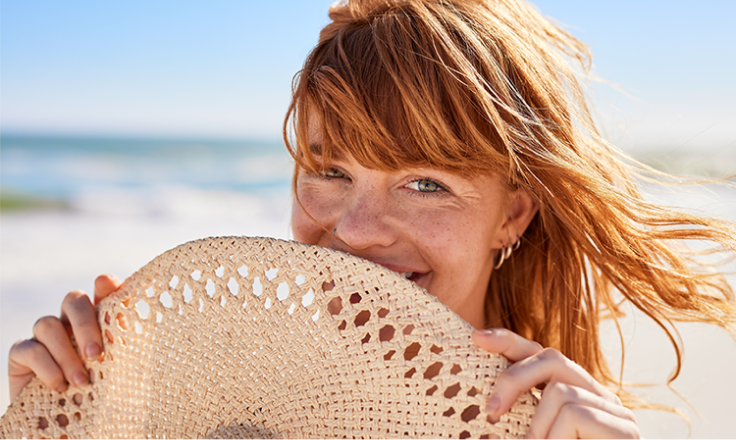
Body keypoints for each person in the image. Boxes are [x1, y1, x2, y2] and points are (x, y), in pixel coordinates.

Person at [8, 0, 736, 438]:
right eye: (330, 172)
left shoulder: (562, 432)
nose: (355, 230)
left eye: (425, 182)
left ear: (512, 214)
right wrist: (65, 414)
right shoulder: (213, 408)